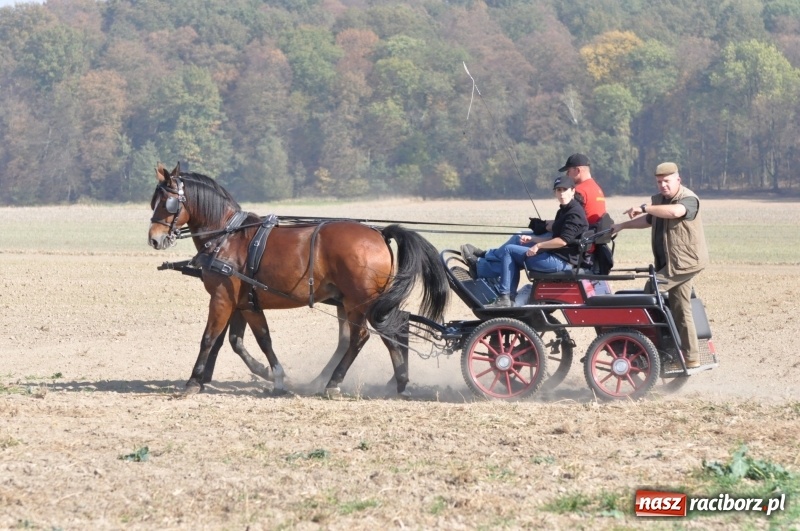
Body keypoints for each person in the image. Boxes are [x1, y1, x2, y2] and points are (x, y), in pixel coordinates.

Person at [611, 162, 709, 368]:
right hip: (673, 264)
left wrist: (645, 207)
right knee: (681, 309)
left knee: (650, 292)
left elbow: (675, 212)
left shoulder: (688, 199)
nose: (663, 185)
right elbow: (649, 220)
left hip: (685, 263)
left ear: (678, 180)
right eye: (659, 182)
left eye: (667, 181)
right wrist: (622, 226)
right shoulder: (660, 203)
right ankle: (690, 358)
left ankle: (655, 350)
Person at [462, 152, 606, 263]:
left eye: (568, 172)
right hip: (584, 240)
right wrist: (546, 224)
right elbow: (573, 220)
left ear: (577, 170)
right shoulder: (596, 189)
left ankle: (486, 259)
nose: (566, 176)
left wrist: (544, 226)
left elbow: (571, 222)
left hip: (573, 243)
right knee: (523, 237)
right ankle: (490, 256)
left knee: (519, 238)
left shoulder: (580, 190)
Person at [476, 176, 589, 308]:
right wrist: (533, 239)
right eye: (558, 190)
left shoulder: (574, 213)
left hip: (561, 262)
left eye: (565, 189)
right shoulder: (564, 210)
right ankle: (507, 295)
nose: (562, 193)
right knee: (517, 242)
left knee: (509, 250)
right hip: (557, 255)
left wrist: (538, 246)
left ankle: (503, 294)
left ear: (573, 191)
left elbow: (562, 241)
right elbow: (555, 238)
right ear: (555, 193)